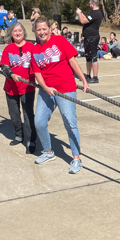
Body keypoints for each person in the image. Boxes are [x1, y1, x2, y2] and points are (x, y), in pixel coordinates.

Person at [31, 16, 90, 173]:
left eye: (44, 28)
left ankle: (76, 158)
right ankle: (48, 152)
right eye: (39, 29)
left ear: (49, 29)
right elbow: (37, 73)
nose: (42, 32)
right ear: (35, 32)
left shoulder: (60, 41)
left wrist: (84, 80)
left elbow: (73, 62)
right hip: (46, 90)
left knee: (70, 122)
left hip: (65, 87)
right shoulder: (35, 50)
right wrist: (45, 87)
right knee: (39, 122)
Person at [1, 21, 37, 154]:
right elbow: (4, 66)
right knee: (14, 114)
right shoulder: (8, 49)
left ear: (24, 33)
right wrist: (11, 74)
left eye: (20, 31)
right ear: (11, 33)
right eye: (15, 31)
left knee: (28, 115)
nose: (17, 33)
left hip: (27, 87)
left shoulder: (32, 47)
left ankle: (30, 140)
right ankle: (18, 134)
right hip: (11, 87)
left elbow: (38, 65)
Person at [76, 0, 103, 83]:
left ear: (93, 4)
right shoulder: (93, 13)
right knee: (88, 57)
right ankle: (88, 75)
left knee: (93, 57)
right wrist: (81, 13)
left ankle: (95, 77)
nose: (89, 5)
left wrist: (79, 14)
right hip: (88, 38)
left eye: (90, 4)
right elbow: (86, 18)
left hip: (92, 38)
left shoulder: (96, 13)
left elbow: (83, 21)